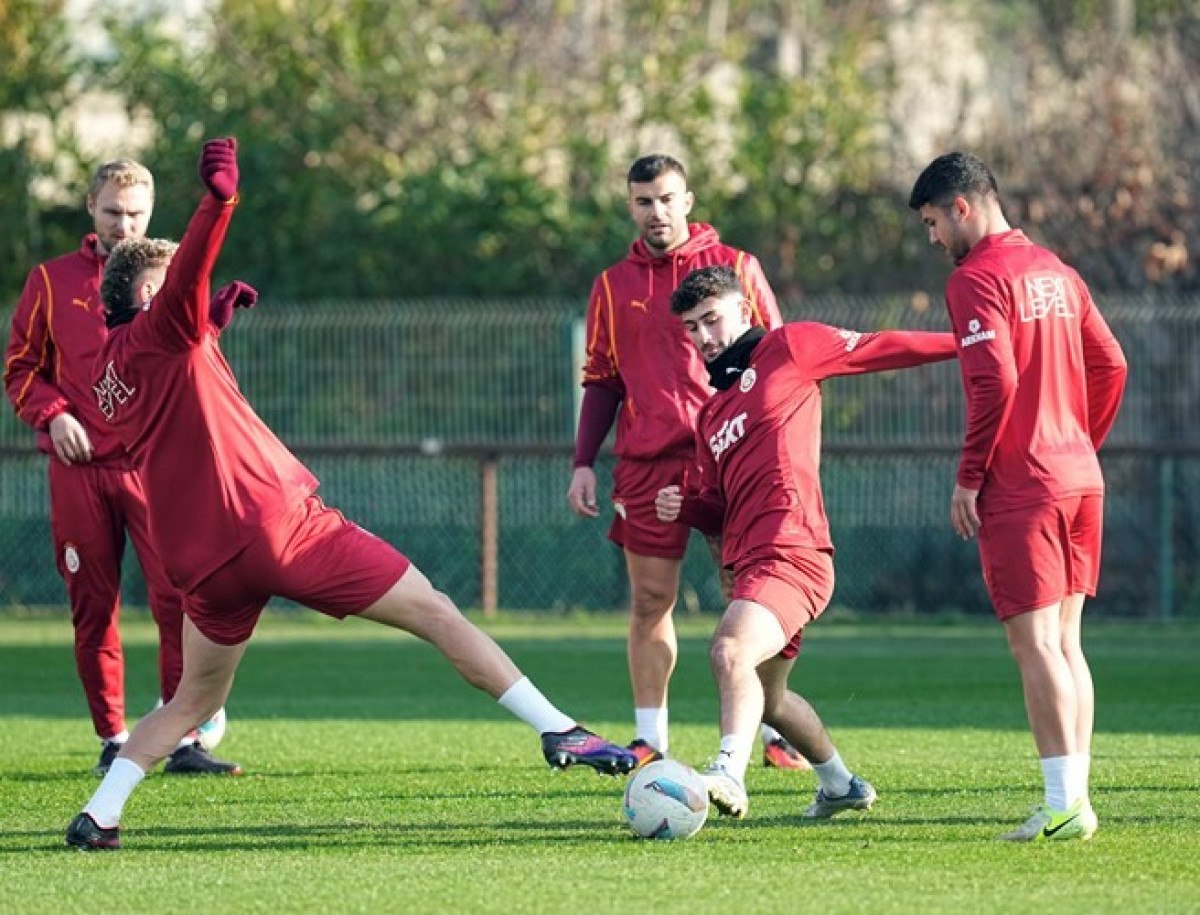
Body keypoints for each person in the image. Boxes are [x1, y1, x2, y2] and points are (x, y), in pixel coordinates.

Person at [63, 138, 634, 851]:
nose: (188, 285)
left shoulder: (108, 368)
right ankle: (560, 731)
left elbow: (175, 375)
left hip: (199, 561)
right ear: (150, 295)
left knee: (192, 701)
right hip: (273, 524)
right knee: (435, 609)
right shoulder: (164, 324)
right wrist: (219, 201)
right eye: (173, 279)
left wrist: (209, 326)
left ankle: (101, 812)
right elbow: (188, 284)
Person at [655, 265, 957, 820]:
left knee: (728, 652)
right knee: (769, 700)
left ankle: (727, 772)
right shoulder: (712, 412)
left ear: (744, 309)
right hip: (753, 565)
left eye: (713, 319)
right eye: (693, 328)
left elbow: (881, 346)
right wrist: (688, 507)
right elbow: (718, 506)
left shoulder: (790, 348)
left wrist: (970, 342)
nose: (705, 337)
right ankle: (841, 785)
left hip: (794, 552)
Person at [909, 152, 1127, 842]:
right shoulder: (1056, 270)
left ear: (962, 207)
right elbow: (1111, 362)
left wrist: (970, 475)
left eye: (933, 222)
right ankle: (1075, 800)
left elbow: (994, 383)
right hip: (1078, 476)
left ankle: (1064, 805)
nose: (933, 239)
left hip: (1023, 484)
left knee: (1034, 645)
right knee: (1066, 641)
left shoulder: (978, 279)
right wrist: (1077, 440)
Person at [568, 153, 807, 770]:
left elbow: (778, 356)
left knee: (749, 594)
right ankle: (651, 737)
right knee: (650, 602)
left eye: (668, 199)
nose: (657, 212)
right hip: (646, 465)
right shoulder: (612, 285)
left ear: (688, 201)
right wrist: (583, 461)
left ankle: (774, 729)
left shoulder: (736, 268)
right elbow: (601, 378)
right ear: (631, 206)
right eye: (644, 201)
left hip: (727, 454)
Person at [4, 157, 239, 777]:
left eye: (136, 214)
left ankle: (181, 736)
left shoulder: (163, 276)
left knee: (179, 597)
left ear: (151, 212)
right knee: (93, 605)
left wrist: (214, 320)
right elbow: (20, 367)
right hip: (80, 471)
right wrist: (54, 414)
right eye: (113, 212)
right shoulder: (51, 281)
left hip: (151, 466)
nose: (124, 225)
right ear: (90, 207)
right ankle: (113, 737)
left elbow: (183, 351)